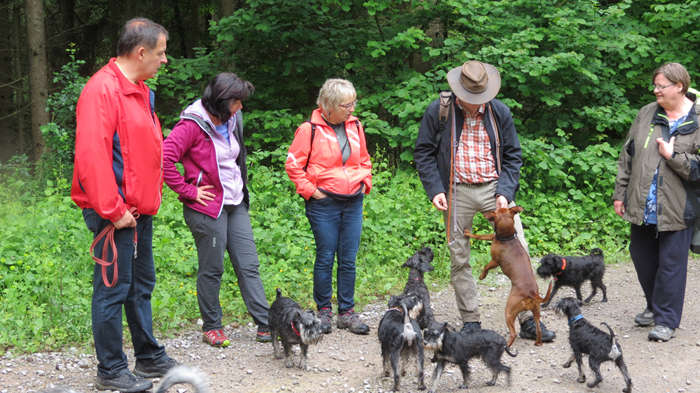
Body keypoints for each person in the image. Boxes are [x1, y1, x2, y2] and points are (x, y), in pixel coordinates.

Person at [71, 18, 178, 392]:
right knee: (113, 290)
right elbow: (91, 156)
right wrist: (112, 210)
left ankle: (148, 356)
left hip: (138, 211)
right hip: (115, 213)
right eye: (162, 53)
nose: (165, 60)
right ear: (142, 52)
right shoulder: (102, 90)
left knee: (140, 285)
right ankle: (111, 370)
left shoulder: (140, 89)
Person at [414, 60, 556, 341]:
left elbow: (513, 155)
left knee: (520, 253)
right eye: (469, 98)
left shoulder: (498, 111)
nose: (473, 103)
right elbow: (424, 152)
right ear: (458, 91)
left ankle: (527, 316)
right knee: (459, 257)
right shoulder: (439, 110)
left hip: (494, 189)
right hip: (456, 190)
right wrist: (435, 189)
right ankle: (471, 321)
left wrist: (505, 189)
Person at [162, 73, 271, 346]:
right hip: (206, 208)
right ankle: (212, 326)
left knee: (249, 265)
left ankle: (266, 324)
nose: (241, 107)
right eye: (237, 102)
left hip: (235, 203)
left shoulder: (233, 119)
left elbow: (237, 158)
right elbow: (164, 160)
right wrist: (189, 191)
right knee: (212, 269)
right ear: (222, 102)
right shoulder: (191, 125)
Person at [613, 62, 700, 342]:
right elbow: (628, 154)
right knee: (642, 256)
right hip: (642, 202)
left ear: (679, 87)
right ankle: (654, 306)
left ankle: (666, 320)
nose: (655, 90)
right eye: (655, 85)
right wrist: (620, 192)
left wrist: (674, 157)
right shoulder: (647, 113)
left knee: (671, 264)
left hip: (679, 206)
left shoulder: (697, 119)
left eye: (661, 86)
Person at [285, 79, 373, 335]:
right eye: (347, 104)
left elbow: (364, 160)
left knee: (348, 259)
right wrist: (312, 192)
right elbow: (293, 165)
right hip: (324, 203)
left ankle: (347, 313)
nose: (352, 109)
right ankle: (324, 311)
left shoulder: (355, 125)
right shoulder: (308, 129)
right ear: (330, 105)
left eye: (353, 103)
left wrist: (364, 181)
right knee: (325, 257)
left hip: (353, 200)